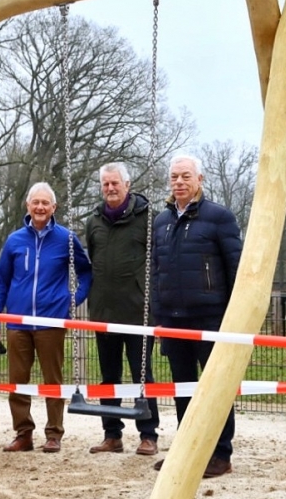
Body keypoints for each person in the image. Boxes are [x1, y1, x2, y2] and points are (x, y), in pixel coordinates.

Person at [150, 155, 243, 478]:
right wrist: (158, 317)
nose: (179, 182)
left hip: (211, 317)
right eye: (174, 177)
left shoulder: (219, 217)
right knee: (183, 387)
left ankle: (220, 453)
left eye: (185, 176)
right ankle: (187, 451)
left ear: (199, 179)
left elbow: (236, 269)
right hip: (173, 319)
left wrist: (235, 317)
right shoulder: (161, 221)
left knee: (215, 387)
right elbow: (156, 272)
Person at [0, 182, 91, 453]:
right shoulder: (14, 241)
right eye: (36, 202)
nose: (40, 207)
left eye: (45, 203)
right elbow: (1, 279)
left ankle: (54, 433)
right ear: (28, 205)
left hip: (52, 320)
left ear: (54, 207)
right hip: (17, 322)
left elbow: (85, 272)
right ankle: (23, 433)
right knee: (17, 380)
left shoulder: (66, 239)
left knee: (52, 380)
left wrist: (73, 300)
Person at [83, 162, 160, 456]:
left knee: (143, 375)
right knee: (108, 376)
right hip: (104, 310)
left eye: (115, 183)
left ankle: (148, 434)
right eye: (106, 184)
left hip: (138, 310)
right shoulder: (94, 222)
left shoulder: (147, 218)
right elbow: (92, 257)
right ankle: (112, 434)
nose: (111, 189)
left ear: (127, 185)